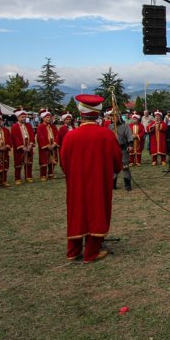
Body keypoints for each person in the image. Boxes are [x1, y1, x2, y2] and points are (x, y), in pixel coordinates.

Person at [61, 94, 122, 264]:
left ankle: (73, 251)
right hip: (98, 182)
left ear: (80, 114)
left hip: (76, 184)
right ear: (98, 115)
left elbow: (63, 162)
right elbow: (117, 161)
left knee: (76, 212)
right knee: (97, 211)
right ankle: (91, 253)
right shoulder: (106, 135)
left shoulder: (70, 136)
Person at [109, 110, 134, 191]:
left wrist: (130, 145)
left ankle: (127, 185)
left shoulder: (125, 126)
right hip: (113, 149)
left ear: (119, 117)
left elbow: (129, 136)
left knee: (125, 167)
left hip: (123, 149)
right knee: (113, 167)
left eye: (115, 116)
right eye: (112, 116)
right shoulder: (110, 127)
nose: (114, 118)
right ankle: (113, 184)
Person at [11, 108, 35, 184]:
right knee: (18, 163)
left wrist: (31, 144)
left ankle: (28, 176)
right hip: (20, 148)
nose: (24, 118)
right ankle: (17, 178)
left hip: (29, 146)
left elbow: (32, 135)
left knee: (29, 162)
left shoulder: (29, 125)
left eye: (25, 117)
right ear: (18, 118)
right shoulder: (14, 126)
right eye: (22, 117)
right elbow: (15, 137)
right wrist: (22, 147)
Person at [36, 109, 60, 181]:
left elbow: (57, 135)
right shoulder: (40, 127)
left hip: (53, 146)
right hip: (45, 147)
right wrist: (47, 145)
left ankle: (51, 173)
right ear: (43, 118)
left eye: (49, 117)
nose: (48, 119)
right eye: (47, 117)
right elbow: (40, 137)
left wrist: (54, 144)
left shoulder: (53, 126)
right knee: (44, 160)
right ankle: (43, 175)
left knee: (53, 160)